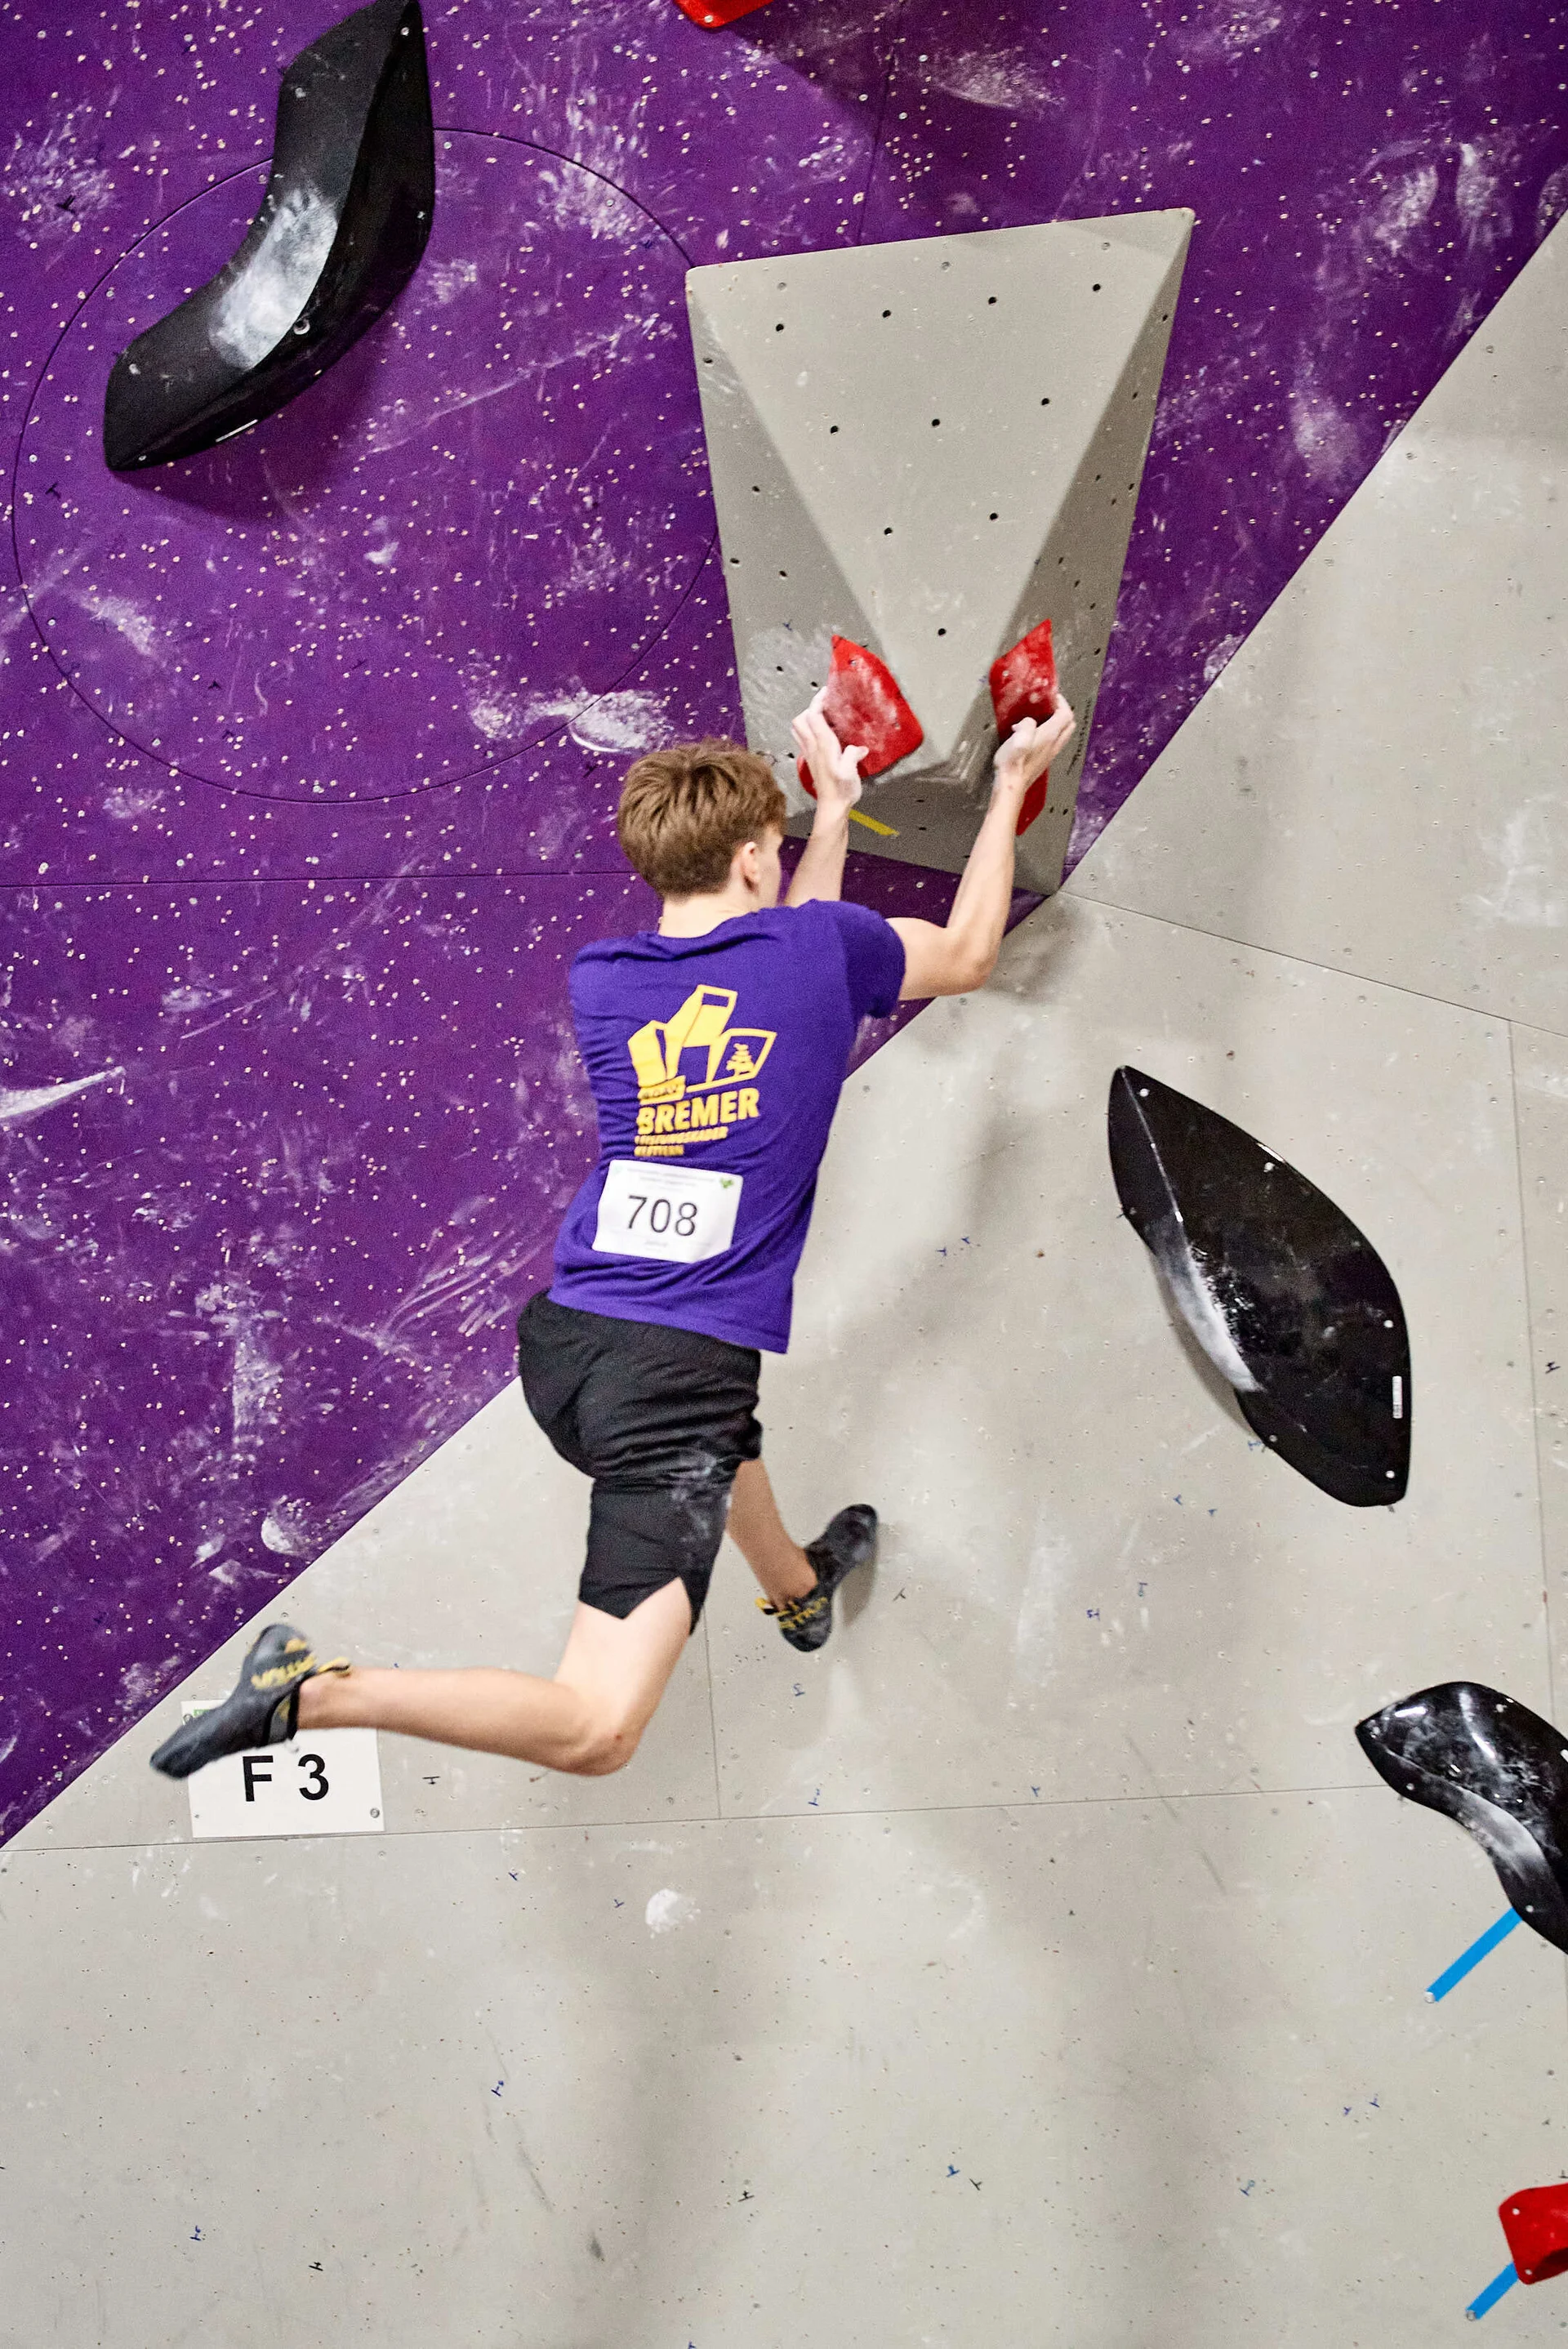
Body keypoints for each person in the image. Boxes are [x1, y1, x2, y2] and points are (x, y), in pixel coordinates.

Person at [151, 687, 1077, 1786]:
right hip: (667, 1380)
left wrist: (829, 814)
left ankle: (796, 1588)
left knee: (718, 1441)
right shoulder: (814, 948)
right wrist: (1015, 784)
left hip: (568, 1341)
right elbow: (965, 953)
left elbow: (789, 948)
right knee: (599, 1728)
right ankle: (315, 1696)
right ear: (751, 859)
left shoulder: (608, 981)